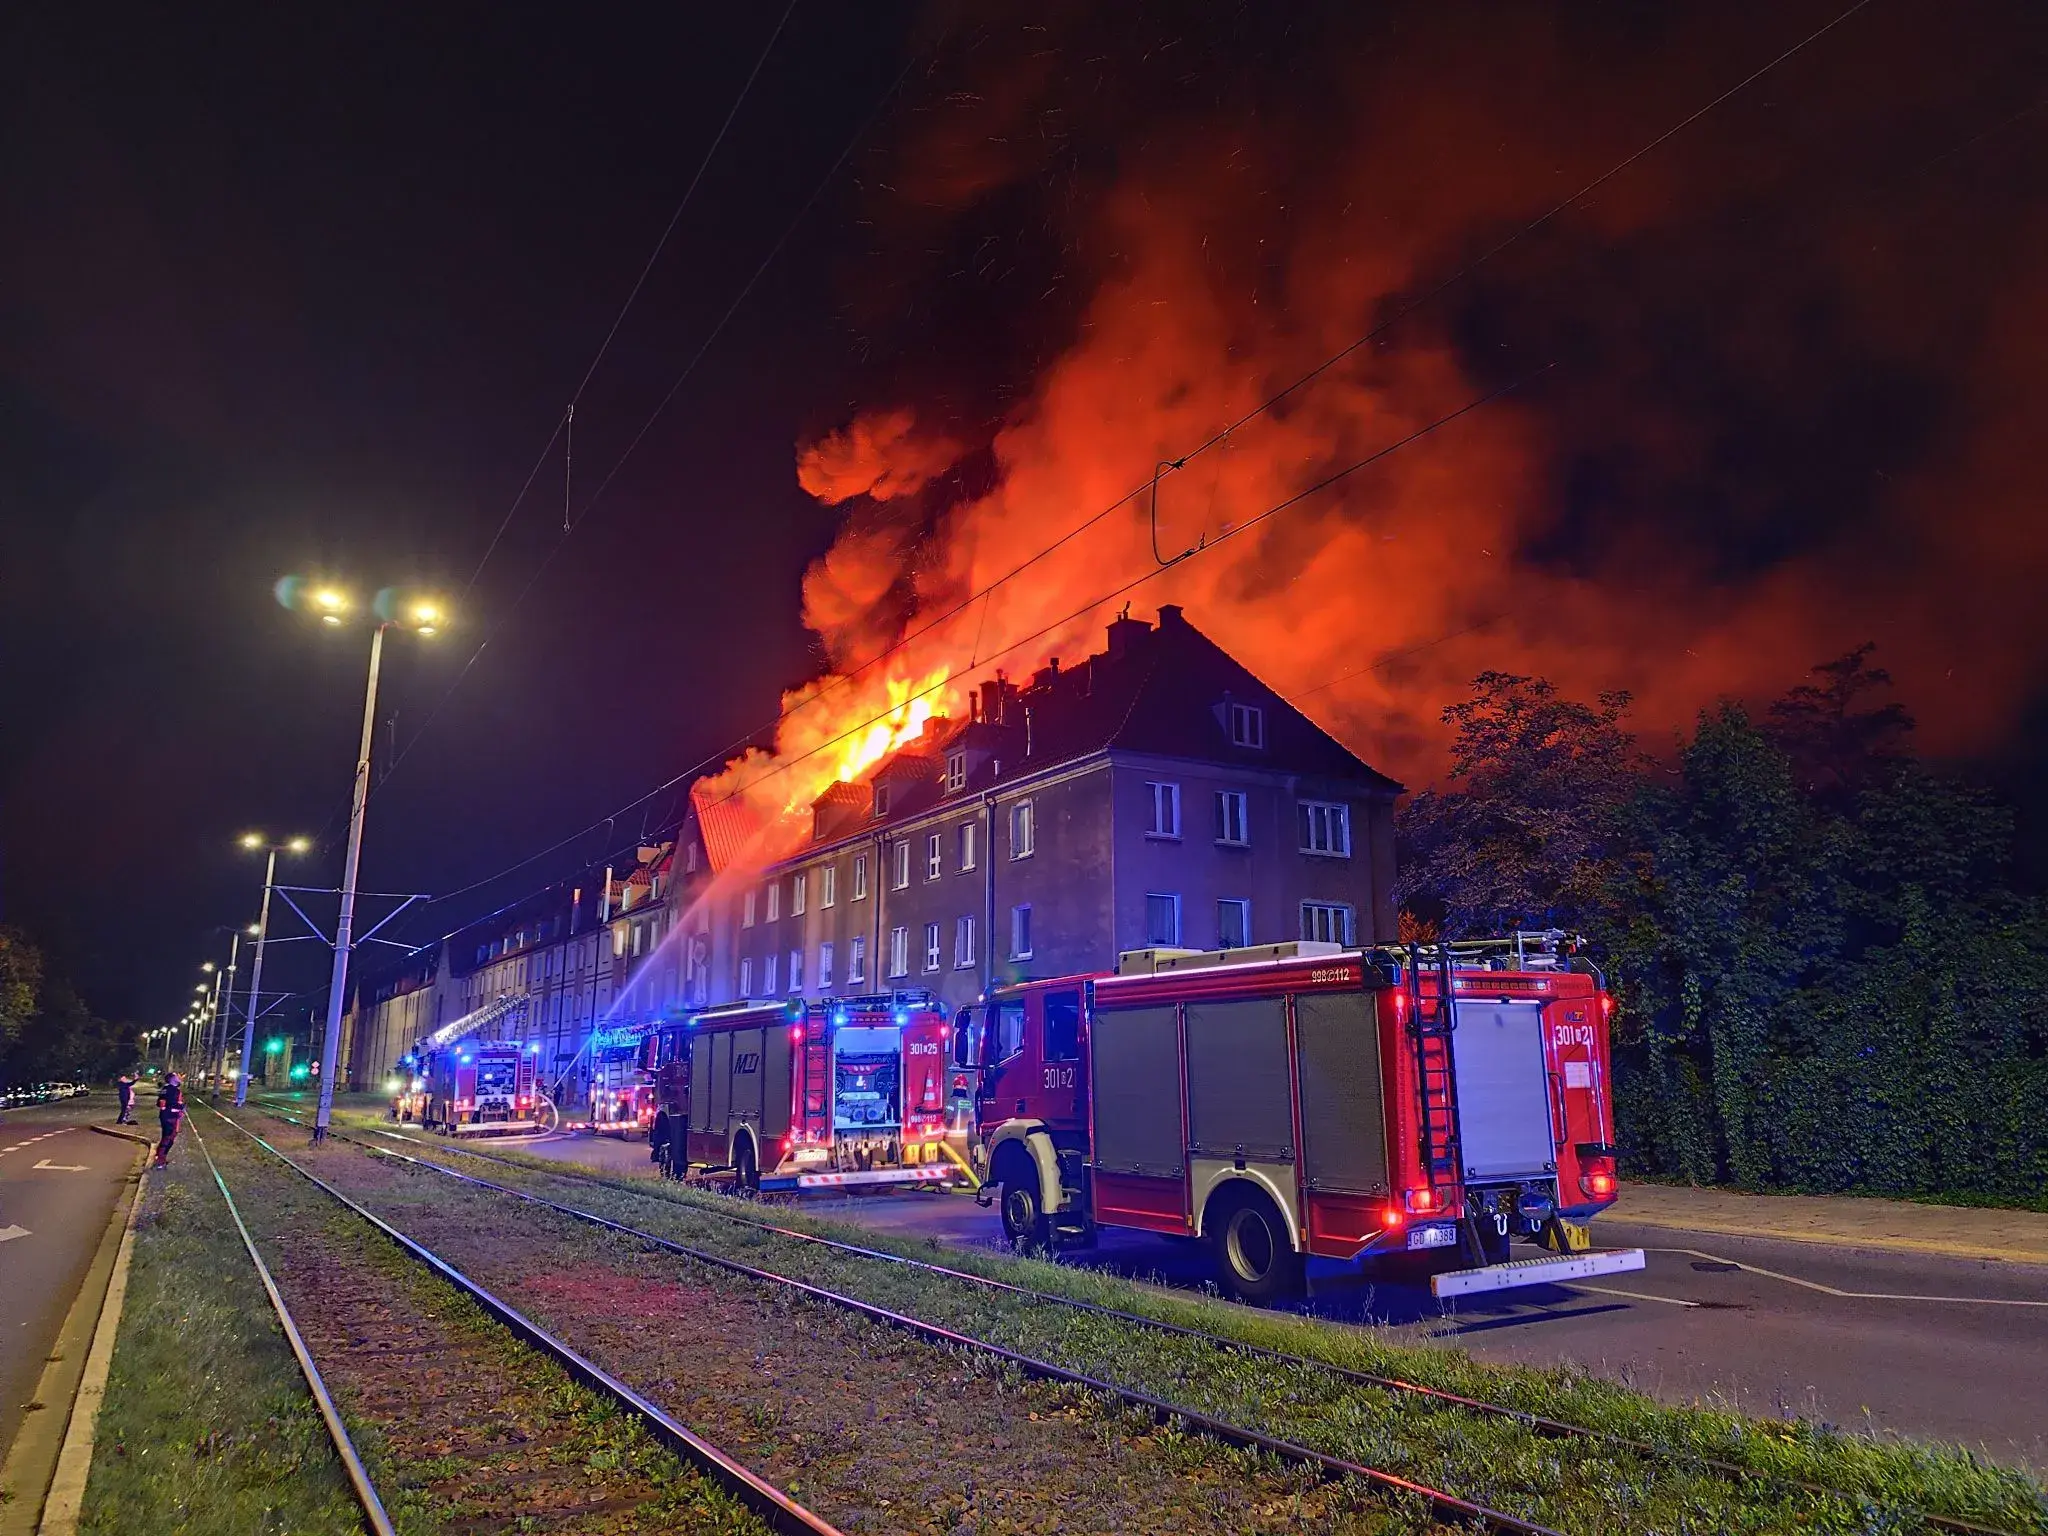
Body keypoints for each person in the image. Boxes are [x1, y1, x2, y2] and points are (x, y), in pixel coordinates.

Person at [153, 1072, 185, 1168]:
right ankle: (160, 1161)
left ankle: (159, 1155)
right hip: (171, 1117)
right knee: (169, 1138)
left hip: (165, 1116)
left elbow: (159, 1103)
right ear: (172, 1079)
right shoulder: (173, 1090)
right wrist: (182, 1106)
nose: (178, 1077)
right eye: (176, 1076)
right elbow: (172, 1103)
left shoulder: (165, 1089)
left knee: (166, 1136)